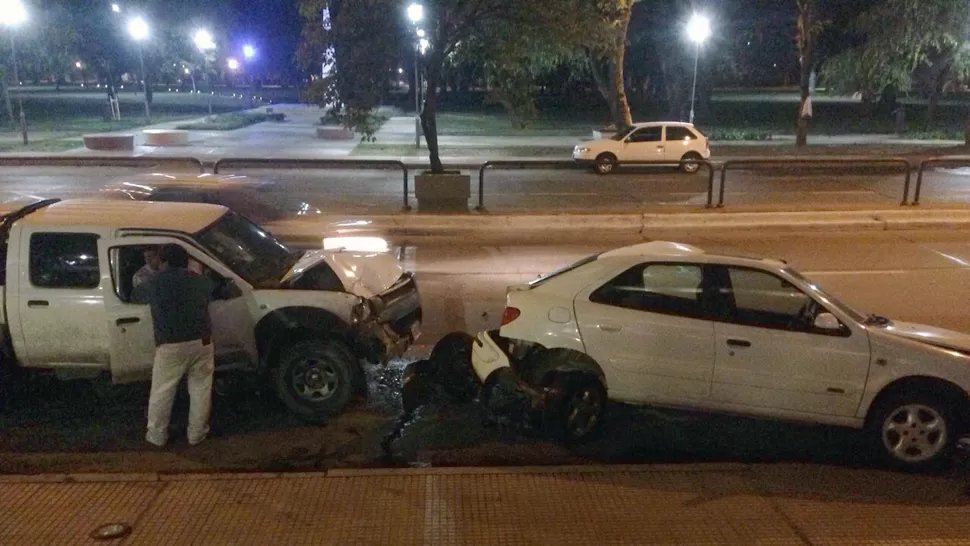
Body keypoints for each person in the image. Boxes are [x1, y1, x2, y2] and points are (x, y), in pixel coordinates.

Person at [131, 244, 215, 447]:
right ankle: (196, 434)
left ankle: (157, 436)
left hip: (170, 344)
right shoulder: (199, 281)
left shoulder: (154, 283)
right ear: (186, 261)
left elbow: (134, 296)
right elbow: (215, 290)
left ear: (163, 261)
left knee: (162, 390)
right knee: (200, 388)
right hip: (202, 342)